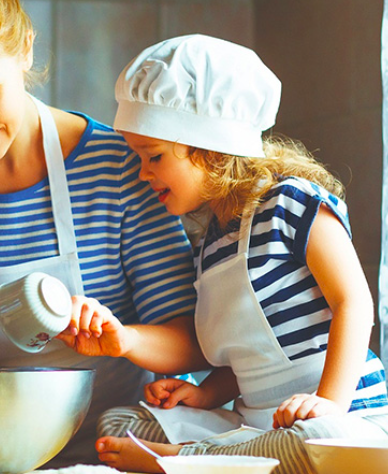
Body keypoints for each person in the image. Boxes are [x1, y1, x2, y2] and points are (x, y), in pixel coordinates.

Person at [0, 0, 207, 465]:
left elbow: (191, 341)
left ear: (25, 49)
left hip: (115, 458)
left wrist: (122, 337)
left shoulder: (119, 167)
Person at [60, 34, 388, 474]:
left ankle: (179, 462)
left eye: (153, 156)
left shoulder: (292, 202)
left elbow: (354, 302)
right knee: (122, 423)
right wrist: (205, 395)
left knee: (319, 442)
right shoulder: (212, 242)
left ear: (208, 146)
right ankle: (214, 460)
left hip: (344, 415)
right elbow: (249, 355)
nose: (143, 173)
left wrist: (327, 402)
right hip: (260, 425)